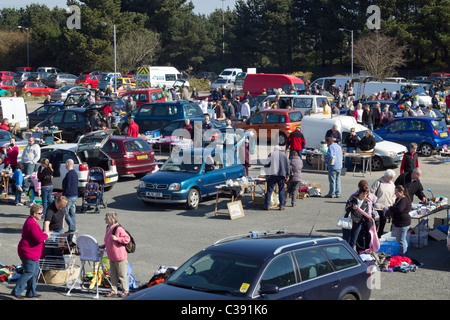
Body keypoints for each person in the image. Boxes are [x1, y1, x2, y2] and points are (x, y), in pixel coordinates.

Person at [11, 203, 51, 299]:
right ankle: (16, 291)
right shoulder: (31, 223)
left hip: (33, 253)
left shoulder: (32, 221)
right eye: (40, 213)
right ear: (34, 213)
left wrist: (44, 234)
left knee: (35, 272)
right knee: (29, 272)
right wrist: (46, 235)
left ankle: (31, 292)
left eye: (42, 213)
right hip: (28, 252)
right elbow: (38, 238)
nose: (42, 215)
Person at [101, 211, 130, 298]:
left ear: (110, 219)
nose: (105, 219)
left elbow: (127, 239)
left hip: (119, 256)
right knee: (113, 275)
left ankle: (126, 291)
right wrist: (103, 245)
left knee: (122, 275)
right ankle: (114, 290)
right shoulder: (108, 227)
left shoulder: (118, 228)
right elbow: (107, 240)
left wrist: (117, 239)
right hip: (112, 256)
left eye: (106, 217)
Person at [344, 180, 377, 252]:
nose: (364, 196)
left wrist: (369, 218)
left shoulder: (366, 201)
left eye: (366, 195)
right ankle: (349, 253)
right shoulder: (353, 198)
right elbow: (347, 208)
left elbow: (366, 212)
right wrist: (352, 208)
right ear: (360, 192)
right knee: (351, 239)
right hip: (353, 221)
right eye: (363, 194)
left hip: (362, 221)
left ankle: (361, 252)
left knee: (361, 238)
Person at [385, 185, 412, 256]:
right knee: (402, 240)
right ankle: (404, 254)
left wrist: (391, 207)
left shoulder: (404, 199)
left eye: (396, 192)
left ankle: (403, 255)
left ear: (401, 192)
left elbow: (400, 209)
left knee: (401, 240)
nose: (395, 194)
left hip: (402, 223)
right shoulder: (399, 199)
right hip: (400, 222)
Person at [370, 169, 396, 237]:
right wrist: (373, 201)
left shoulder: (392, 184)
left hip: (387, 207)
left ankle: (380, 235)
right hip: (377, 207)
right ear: (386, 176)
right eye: (390, 178)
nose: (391, 179)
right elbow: (372, 192)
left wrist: (392, 202)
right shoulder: (378, 182)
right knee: (376, 223)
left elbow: (394, 195)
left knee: (383, 222)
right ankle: (373, 236)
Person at [263, 146, 290, 210]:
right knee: (281, 190)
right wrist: (288, 175)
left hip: (272, 175)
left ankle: (267, 205)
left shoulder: (271, 154)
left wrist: (266, 174)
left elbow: (266, 165)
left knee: (269, 190)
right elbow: (287, 166)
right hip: (281, 175)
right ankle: (281, 205)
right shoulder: (284, 155)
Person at [62, 159, 78, 233]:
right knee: (72, 213)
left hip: (69, 196)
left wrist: (63, 195)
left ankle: (73, 228)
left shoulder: (69, 174)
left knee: (65, 212)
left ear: (68, 164)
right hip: (75, 196)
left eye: (65, 163)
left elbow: (67, 186)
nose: (65, 165)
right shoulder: (75, 173)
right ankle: (72, 228)